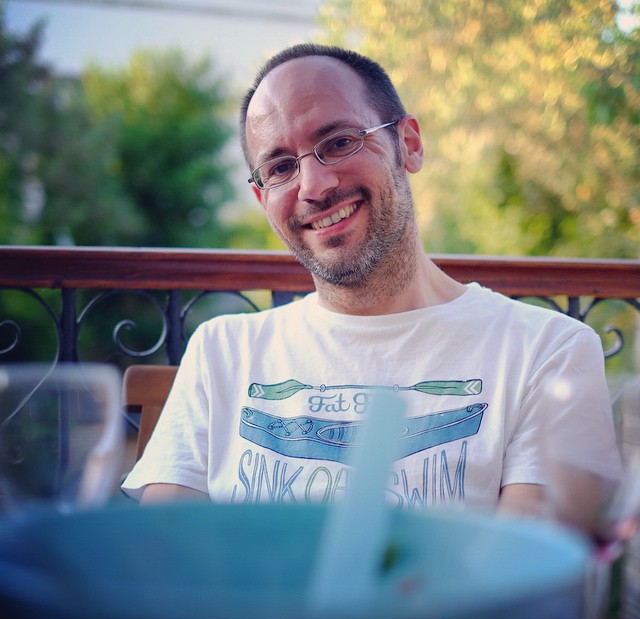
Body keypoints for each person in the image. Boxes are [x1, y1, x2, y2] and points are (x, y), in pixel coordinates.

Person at [122, 44, 621, 529]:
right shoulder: (222, 350)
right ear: (261, 198)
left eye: (339, 142)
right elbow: (159, 559)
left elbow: (530, 573)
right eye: (280, 168)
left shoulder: (546, 352)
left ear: (409, 145)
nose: (314, 186)